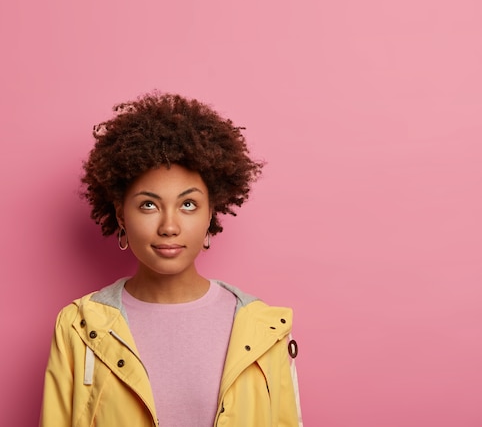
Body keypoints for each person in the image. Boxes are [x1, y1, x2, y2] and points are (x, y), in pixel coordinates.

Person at [39, 93, 302, 427]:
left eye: (188, 205)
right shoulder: (78, 326)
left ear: (211, 212)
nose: (169, 226)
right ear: (121, 215)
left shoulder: (265, 328)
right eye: (148, 205)